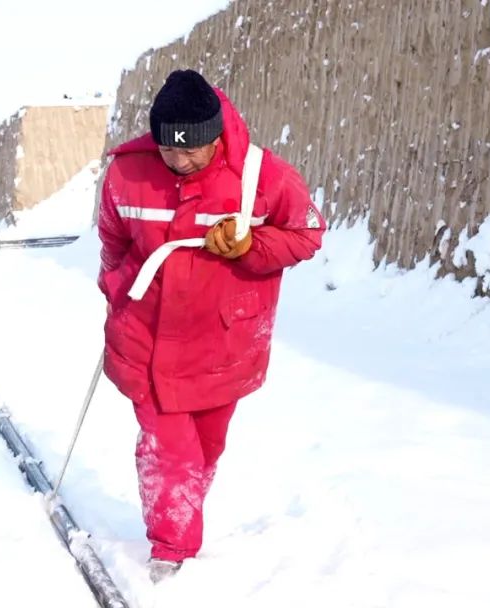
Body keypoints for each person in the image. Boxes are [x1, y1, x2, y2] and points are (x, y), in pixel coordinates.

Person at [96, 69, 326, 583]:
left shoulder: (263, 178)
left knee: (205, 450)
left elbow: (308, 234)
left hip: (223, 344)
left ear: (216, 133)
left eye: (191, 150)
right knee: (168, 450)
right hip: (147, 341)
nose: (178, 160)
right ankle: (170, 551)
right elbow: (112, 239)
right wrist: (115, 288)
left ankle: (179, 520)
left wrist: (252, 246)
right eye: (167, 149)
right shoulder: (128, 173)